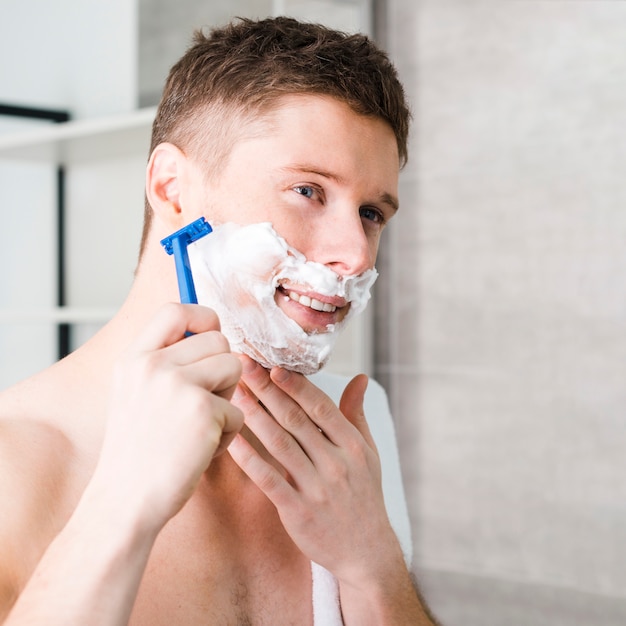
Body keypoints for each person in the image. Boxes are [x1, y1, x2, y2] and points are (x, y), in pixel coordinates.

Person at [0, 16, 439, 625]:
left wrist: (376, 570)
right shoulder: (13, 463)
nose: (356, 254)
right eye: (308, 191)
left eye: (370, 212)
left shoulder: (347, 432)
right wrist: (120, 506)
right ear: (172, 188)